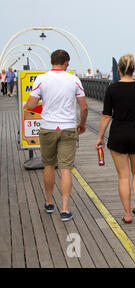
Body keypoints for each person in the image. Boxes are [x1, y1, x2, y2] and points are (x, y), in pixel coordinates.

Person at [25, 49, 88, 222]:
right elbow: (84, 107)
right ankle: (65, 209)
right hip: (68, 127)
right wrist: (81, 124)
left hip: (48, 128)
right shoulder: (74, 79)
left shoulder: (41, 79)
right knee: (66, 168)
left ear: (52, 61)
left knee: (49, 165)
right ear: (66, 62)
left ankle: (49, 202)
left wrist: (42, 102)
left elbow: (30, 105)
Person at [95, 54, 135, 224]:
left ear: (118, 70)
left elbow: (106, 116)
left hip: (118, 135)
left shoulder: (112, 89)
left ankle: (127, 214)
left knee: (123, 177)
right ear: (134, 69)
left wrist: (100, 137)